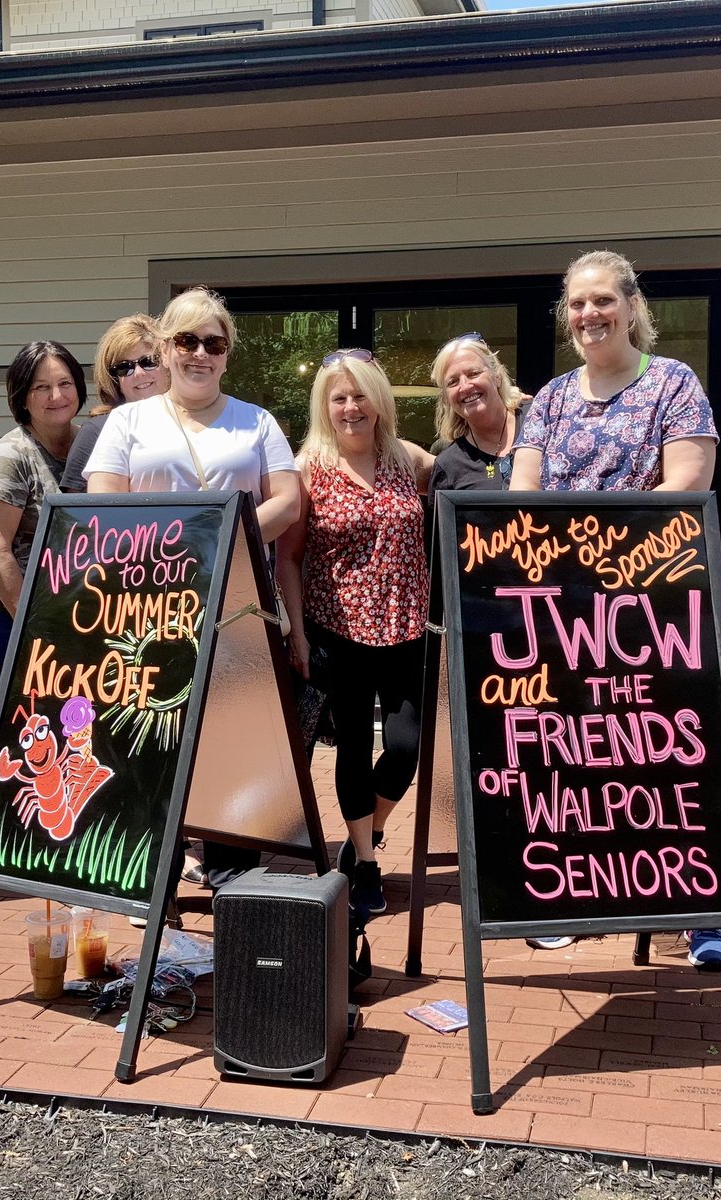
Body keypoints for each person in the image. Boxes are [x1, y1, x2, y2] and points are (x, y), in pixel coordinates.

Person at [509, 249, 721, 970]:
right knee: (572, 761)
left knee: (673, 759)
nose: (588, 315)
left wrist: (590, 536)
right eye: (576, 303)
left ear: (633, 307)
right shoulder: (548, 399)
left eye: (603, 300)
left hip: (656, 609)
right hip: (566, 618)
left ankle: (703, 914)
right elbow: (521, 500)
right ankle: (576, 896)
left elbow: (686, 488)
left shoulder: (674, 384)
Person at [86, 285, 300, 891]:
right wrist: (177, 547)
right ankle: (150, 871)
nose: (199, 353)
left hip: (237, 604)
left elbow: (285, 501)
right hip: (149, 603)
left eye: (213, 342)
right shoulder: (129, 421)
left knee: (231, 730)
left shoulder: (255, 421)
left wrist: (221, 539)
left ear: (228, 354)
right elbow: (104, 500)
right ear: (164, 348)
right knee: (150, 731)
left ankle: (230, 863)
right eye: (186, 340)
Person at [275, 349, 434, 920]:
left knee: (405, 748)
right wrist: (295, 634)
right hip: (336, 631)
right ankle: (364, 862)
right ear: (325, 405)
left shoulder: (410, 460)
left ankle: (369, 828)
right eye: (338, 397)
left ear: (379, 400)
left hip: (405, 629)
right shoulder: (307, 468)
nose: (351, 406)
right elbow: (287, 559)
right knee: (352, 751)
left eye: (360, 394)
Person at [0, 341, 84, 678]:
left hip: (77, 614)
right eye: (42, 387)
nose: (57, 396)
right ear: (23, 397)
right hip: (15, 614)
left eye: (65, 384)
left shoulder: (93, 444)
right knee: (28, 723)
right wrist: (30, 622)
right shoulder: (11, 455)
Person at [59, 314, 168, 493]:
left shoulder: (192, 422)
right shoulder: (96, 432)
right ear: (115, 379)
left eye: (148, 361)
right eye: (125, 368)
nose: (139, 373)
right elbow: (75, 515)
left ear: (167, 362)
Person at [428, 333, 524, 497]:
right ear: (446, 397)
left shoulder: (539, 420)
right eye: (453, 382)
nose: (465, 386)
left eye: (473, 373)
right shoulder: (448, 466)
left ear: (497, 377)